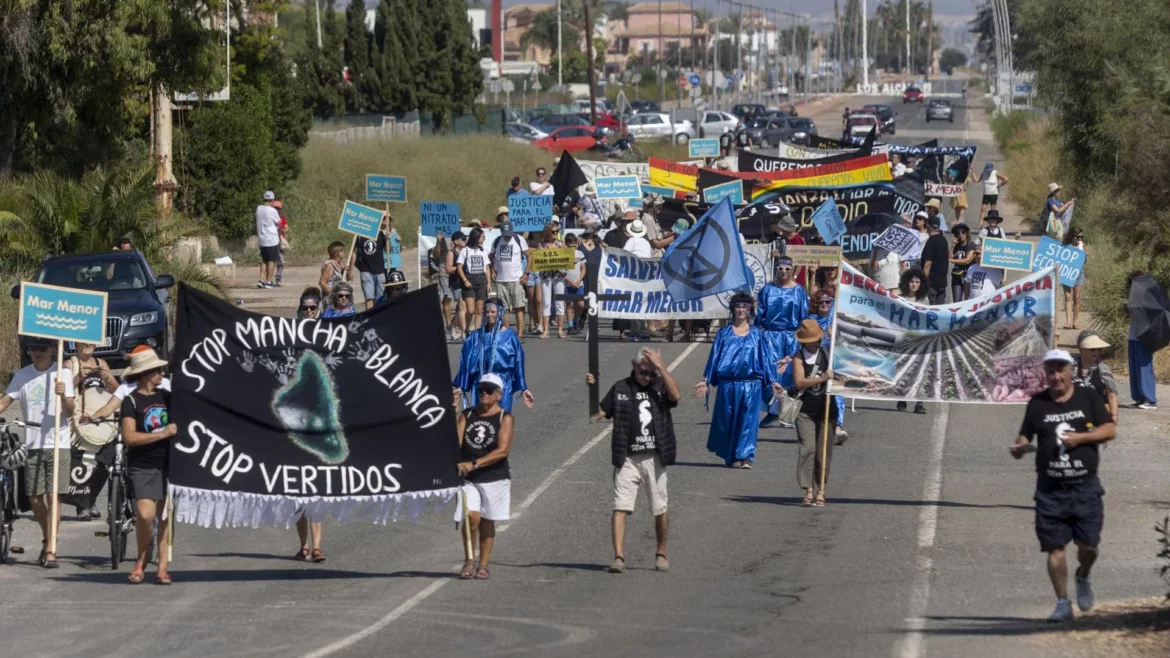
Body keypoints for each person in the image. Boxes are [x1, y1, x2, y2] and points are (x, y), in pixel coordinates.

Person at [1010, 349, 1116, 622]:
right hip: (1050, 490)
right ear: (1045, 374)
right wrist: (1020, 447)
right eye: (1051, 371)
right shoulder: (1037, 404)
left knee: (1089, 546)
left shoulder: (1089, 398)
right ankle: (1061, 602)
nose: (1056, 376)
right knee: (1054, 548)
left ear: (1071, 371)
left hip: (1085, 487)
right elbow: (1025, 434)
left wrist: (1080, 438)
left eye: (1061, 370)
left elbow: (1109, 430)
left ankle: (1083, 575)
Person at [587, 348, 680, 574]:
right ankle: (618, 557)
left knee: (660, 507)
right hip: (627, 457)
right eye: (642, 372)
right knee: (620, 506)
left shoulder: (660, 385)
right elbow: (596, 415)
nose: (646, 377)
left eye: (650, 373)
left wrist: (661, 368)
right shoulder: (621, 388)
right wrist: (591, 389)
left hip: (654, 456)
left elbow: (676, 396)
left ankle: (661, 552)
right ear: (634, 366)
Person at [0, 339, 74, 568]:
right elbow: (5, 401)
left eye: (43, 349)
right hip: (32, 443)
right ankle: (47, 536)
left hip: (58, 442)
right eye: (33, 349)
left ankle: (51, 548)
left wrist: (63, 395)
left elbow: (72, 411)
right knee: (34, 498)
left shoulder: (63, 373)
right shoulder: (22, 375)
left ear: (53, 350)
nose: (38, 353)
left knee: (53, 497)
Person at [696, 293, 784, 469]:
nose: (741, 309)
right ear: (732, 309)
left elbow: (765, 359)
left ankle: (746, 456)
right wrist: (706, 381)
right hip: (727, 385)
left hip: (751, 384)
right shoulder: (723, 334)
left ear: (750, 309)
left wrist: (772, 381)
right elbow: (714, 359)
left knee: (748, 421)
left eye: (745, 306)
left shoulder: (757, 335)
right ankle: (730, 454)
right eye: (738, 306)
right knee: (726, 421)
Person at [118, 347, 176, 585]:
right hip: (142, 465)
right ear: (145, 373)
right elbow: (130, 437)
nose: (161, 373)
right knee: (145, 515)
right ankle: (142, 557)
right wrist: (163, 434)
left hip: (169, 465)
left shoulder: (167, 397)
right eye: (157, 371)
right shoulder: (131, 401)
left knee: (163, 519)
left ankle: (161, 568)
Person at [454, 373, 514, 581]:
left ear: (499, 395)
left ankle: (484, 564)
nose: (484, 394)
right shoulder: (467, 415)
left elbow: (502, 451)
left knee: (487, 521)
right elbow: (455, 443)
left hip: (494, 477)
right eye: (481, 390)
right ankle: (469, 560)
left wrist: (476, 463)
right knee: (471, 517)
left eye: (489, 391)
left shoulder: (504, 418)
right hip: (468, 478)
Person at [784, 319, 838, 507]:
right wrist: (821, 379)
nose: (814, 343)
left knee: (824, 450)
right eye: (810, 340)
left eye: (816, 339)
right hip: (805, 409)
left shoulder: (827, 354)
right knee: (808, 447)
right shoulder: (798, 357)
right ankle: (808, 489)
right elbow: (799, 382)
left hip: (827, 408)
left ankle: (821, 489)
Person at [290, 292, 327, 561]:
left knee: (316, 492)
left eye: (313, 308)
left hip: (321, 425)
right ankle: (303, 545)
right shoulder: (290, 341)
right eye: (305, 308)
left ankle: (317, 546)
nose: (310, 312)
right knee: (298, 495)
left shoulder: (329, 338)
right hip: (295, 426)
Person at [452, 298, 536, 413]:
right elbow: (466, 363)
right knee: (482, 422)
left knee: (501, 420)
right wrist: (461, 386)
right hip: (481, 384)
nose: (490, 315)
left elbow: (519, 363)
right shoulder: (475, 337)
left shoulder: (510, 336)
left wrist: (524, 388)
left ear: (500, 312)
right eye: (487, 312)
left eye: (493, 311)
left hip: (503, 384)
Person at [69, 341, 119, 521]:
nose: (88, 345)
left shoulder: (101, 364)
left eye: (91, 342)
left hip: (103, 419)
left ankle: (91, 500)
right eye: (84, 342)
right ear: (76, 345)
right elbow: (62, 391)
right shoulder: (69, 364)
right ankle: (82, 506)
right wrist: (76, 378)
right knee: (83, 463)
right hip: (80, 419)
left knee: (105, 463)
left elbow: (117, 391)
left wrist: (108, 378)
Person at [757, 256, 808, 427]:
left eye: (787, 268)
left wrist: (802, 337)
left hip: (792, 335)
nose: (784, 272)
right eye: (780, 268)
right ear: (776, 269)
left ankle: (789, 413)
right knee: (770, 372)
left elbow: (804, 315)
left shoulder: (799, 290)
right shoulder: (767, 289)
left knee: (790, 374)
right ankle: (772, 410)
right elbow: (760, 313)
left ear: (792, 269)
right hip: (771, 335)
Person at [808, 290, 848, 445]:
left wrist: (835, 336)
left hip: (836, 359)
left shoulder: (837, 318)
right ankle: (819, 428)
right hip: (817, 362)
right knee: (818, 394)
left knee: (838, 393)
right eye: (821, 302)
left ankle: (838, 427)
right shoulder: (811, 320)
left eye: (828, 302)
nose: (824, 305)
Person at [896, 269, 929, 415]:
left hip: (919, 340)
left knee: (920, 371)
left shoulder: (924, 300)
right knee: (905, 371)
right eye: (911, 281)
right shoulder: (898, 298)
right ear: (906, 282)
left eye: (917, 282)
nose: (914, 284)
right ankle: (902, 398)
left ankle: (919, 403)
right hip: (904, 340)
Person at [489, 221, 530, 336]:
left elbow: (529, 256)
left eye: (509, 234)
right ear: (501, 232)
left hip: (517, 279)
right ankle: (506, 332)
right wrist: (492, 269)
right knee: (504, 308)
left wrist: (526, 273)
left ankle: (520, 333)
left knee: (519, 307)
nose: (507, 237)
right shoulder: (497, 241)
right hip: (501, 280)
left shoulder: (519, 239)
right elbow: (491, 256)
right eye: (505, 234)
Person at [1124, 271, 1158, 410]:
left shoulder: (1149, 298)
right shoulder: (1135, 297)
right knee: (1135, 367)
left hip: (1144, 336)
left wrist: (1132, 310)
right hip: (1134, 336)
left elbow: (1147, 316)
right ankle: (1139, 397)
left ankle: (1150, 399)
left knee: (1144, 367)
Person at [1075, 331, 1120, 426]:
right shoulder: (1070, 367)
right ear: (1082, 350)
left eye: (1098, 349)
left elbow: (1111, 394)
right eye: (1092, 349)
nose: (1096, 352)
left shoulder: (1104, 369)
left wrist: (1114, 416)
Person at [533, 225, 567, 339]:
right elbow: (538, 259)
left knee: (560, 303)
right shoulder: (541, 245)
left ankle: (560, 330)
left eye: (557, 231)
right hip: (546, 276)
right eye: (553, 231)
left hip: (559, 275)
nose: (556, 233)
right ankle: (546, 330)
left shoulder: (560, 244)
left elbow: (566, 257)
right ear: (548, 232)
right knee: (546, 302)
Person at [352, 215, 390, 309]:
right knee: (369, 297)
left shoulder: (381, 234)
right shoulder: (360, 236)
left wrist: (388, 240)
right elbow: (354, 253)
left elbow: (389, 250)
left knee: (380, 297)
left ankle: (377, 317)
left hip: (380, 270)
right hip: (366, 270)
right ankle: (369, 317)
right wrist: (351, 269)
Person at [457, 227, 492, 330]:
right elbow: (459, 267)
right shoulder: (465, 250)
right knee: (471, 310)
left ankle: (477, 332)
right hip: (469, 280)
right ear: (476, 237)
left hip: (481, 280)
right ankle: (466, 329)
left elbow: (487, 267)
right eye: (482, 237)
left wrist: (489, 282)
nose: (484, 238)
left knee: (479, 310)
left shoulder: (483, 251)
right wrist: (465, 280)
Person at [919, 216, 950, 304]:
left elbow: (928, 265)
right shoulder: (944, 240)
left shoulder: (931, 242)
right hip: (942, 283)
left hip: (932, 283)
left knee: (931, 311)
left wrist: (924, 282)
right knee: (940, 310)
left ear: (928, 226)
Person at [255, 191, 282, 289]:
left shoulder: (258, 209)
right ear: (273, 200)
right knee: (271, 261)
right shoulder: (272, 211)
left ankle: (261, 280)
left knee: (264, 259)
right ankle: (269, 282)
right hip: (271, 239)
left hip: (261, 239)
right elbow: (279, 223)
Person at [1062, 227, 1086, 330]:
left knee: (1077, 298)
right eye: (1078, 237)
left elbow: (1084, 262)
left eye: (1082, 237)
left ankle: (1075, 322)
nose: (1080, 239)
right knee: (1068, 296)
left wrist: (1085, 256)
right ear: (1072, 237)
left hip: (1078, 273)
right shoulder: (1066, 246)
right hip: (1067, 272)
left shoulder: (1082, 246)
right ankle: (1068, 322)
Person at [446, 231, 469, 340]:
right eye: (463, 239)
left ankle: (453, 326)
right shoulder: (452, 253)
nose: (465, 241)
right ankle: (465, 332)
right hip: (456, 283)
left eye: (465, 239)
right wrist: (459, 267)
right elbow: (448, 269)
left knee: (464, 307)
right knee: (462, 307)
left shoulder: (466, 251)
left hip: (466, 282)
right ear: (456, 241)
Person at [949, 223, 977, 303]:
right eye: (958, 233)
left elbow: (967, 260)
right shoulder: (956, 246)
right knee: (957, 302)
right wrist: (952, 246)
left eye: (963, 232)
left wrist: (952, 260)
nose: (960, 234)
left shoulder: (971, 245)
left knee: (968, 301)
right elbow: (950, 257)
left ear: (966, 233)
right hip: (957, 276)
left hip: (968, 276)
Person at [273, 200, 288, 287]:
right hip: (271, 241)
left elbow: (287, 228)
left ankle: (278, 278)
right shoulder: (270, 217)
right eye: (275, 208)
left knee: (281, 261)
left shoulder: (282, 219)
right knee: (269, 261)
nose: (277, 210)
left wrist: (282, 230)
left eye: (278, 208)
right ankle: (267, 279)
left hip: (279, 241)